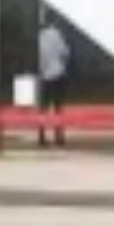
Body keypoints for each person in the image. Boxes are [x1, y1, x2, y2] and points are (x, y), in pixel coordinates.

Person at [35, 16, 71, 145]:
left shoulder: (41, 37)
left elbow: (41, 57)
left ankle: (42, 136)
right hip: (59, 73)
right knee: (58, 107)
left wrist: (41, 71)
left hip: (45, 76)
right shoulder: (57, 34)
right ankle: (59, 136)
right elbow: (65, 53)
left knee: (43, 108)